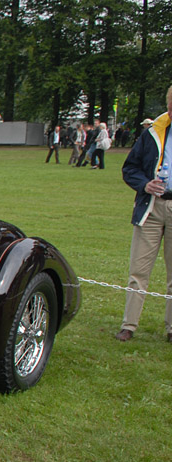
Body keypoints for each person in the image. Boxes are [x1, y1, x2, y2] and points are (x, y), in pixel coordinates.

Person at [117, 85, 172, 343]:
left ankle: (171, 328)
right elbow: (130, 168)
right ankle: (129, 325)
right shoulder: (151, 133)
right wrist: (145, 184)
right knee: (138, 270)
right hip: (151, 207)